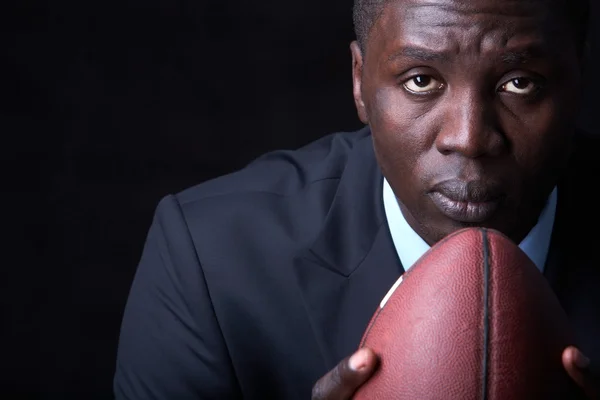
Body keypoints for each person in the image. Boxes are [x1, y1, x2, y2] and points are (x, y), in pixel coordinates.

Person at [113, 0, 600, 398]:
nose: (469, 138)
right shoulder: (212, 260)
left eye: (520, 83)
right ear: (360, 82)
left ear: (578, 77)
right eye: (421, 80)